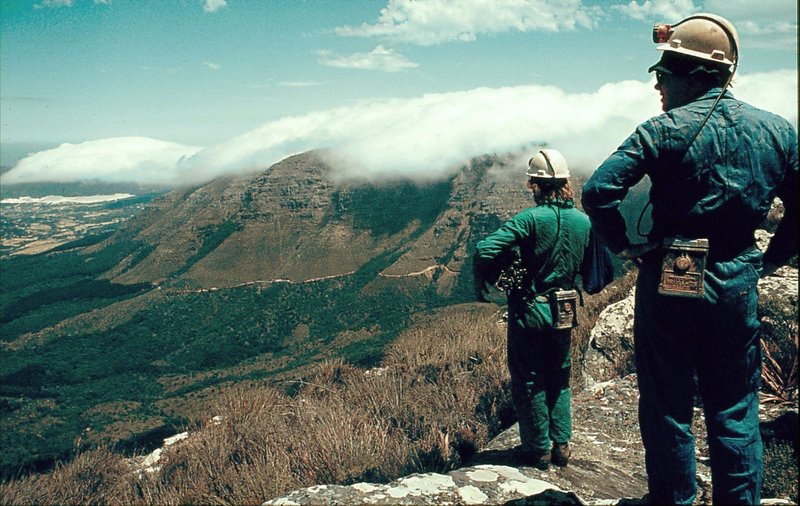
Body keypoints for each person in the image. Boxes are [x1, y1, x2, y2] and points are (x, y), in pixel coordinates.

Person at [582, 13, 798, 505]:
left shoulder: (661, 131)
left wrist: (626, 247)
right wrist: (772, 260)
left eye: (664, 74)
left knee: (668, 403)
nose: (658, 86)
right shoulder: (778, 132)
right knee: (734, 405)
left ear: (694, 74)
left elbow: (598, 192)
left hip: (672, 276)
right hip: (738, 276)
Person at [473, 149, 612, 470]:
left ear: (536, 185)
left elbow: (485, 248)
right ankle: (562, 443)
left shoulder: (531, 219)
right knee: (559, 375)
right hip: (565, 308)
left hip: (530, 310)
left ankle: (537, 448)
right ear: (565, 184)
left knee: (530, 378)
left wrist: (487, 280)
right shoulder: (583, 222)